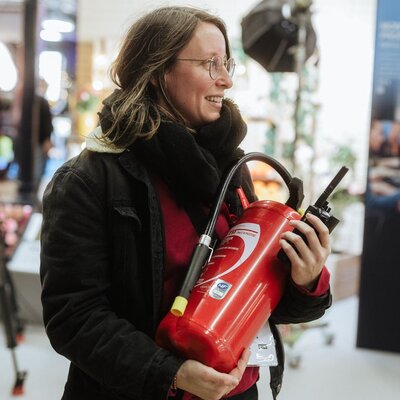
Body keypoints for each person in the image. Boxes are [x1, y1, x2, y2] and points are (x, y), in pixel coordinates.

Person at [40, 6, 332, 400]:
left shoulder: (233, 166)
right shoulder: (89, 180)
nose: (226, 80)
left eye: (226, 63)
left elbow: (258, 299)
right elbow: (73, 317)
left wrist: (306, 279)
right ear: (159, 72)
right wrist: (171, 373)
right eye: (210, 64)